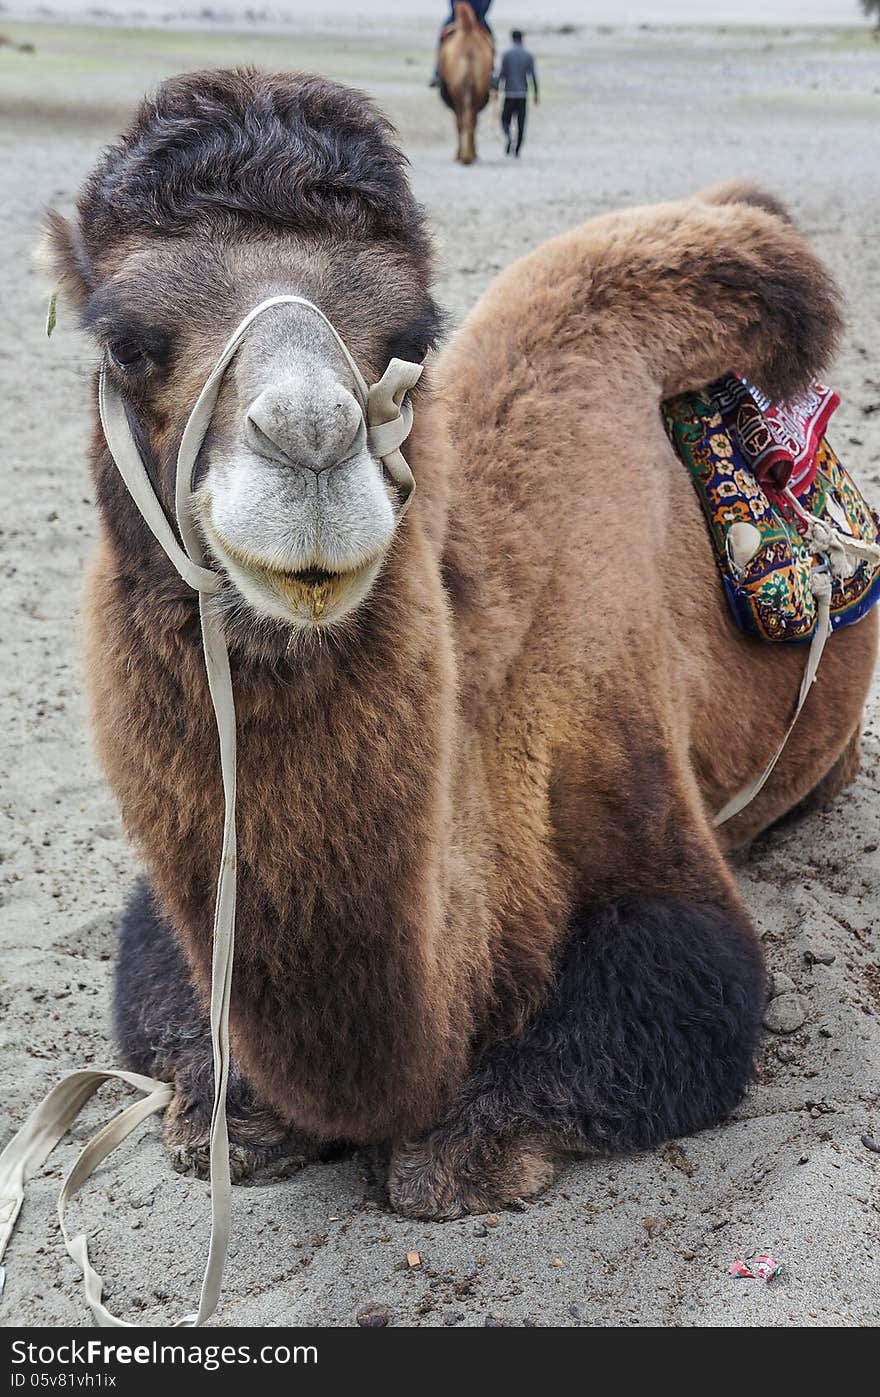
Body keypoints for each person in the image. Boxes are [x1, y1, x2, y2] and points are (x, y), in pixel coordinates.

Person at [494, 29, 538, 156]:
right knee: (521, 123)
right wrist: (535, 93)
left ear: (511, 38)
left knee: (504, 120)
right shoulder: (528, 55)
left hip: (509, 94)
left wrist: (496, 88)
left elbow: (502, 74)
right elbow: (532, 75)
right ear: (522, 38)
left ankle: (508, 136)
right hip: (523, 95)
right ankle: (517, 150)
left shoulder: (507, 54)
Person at [430, 1, 494, 87]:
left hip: (477, 16)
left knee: (491, 39)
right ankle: (438, 71)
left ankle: (491, 72)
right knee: (491, 38)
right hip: (459, 14)